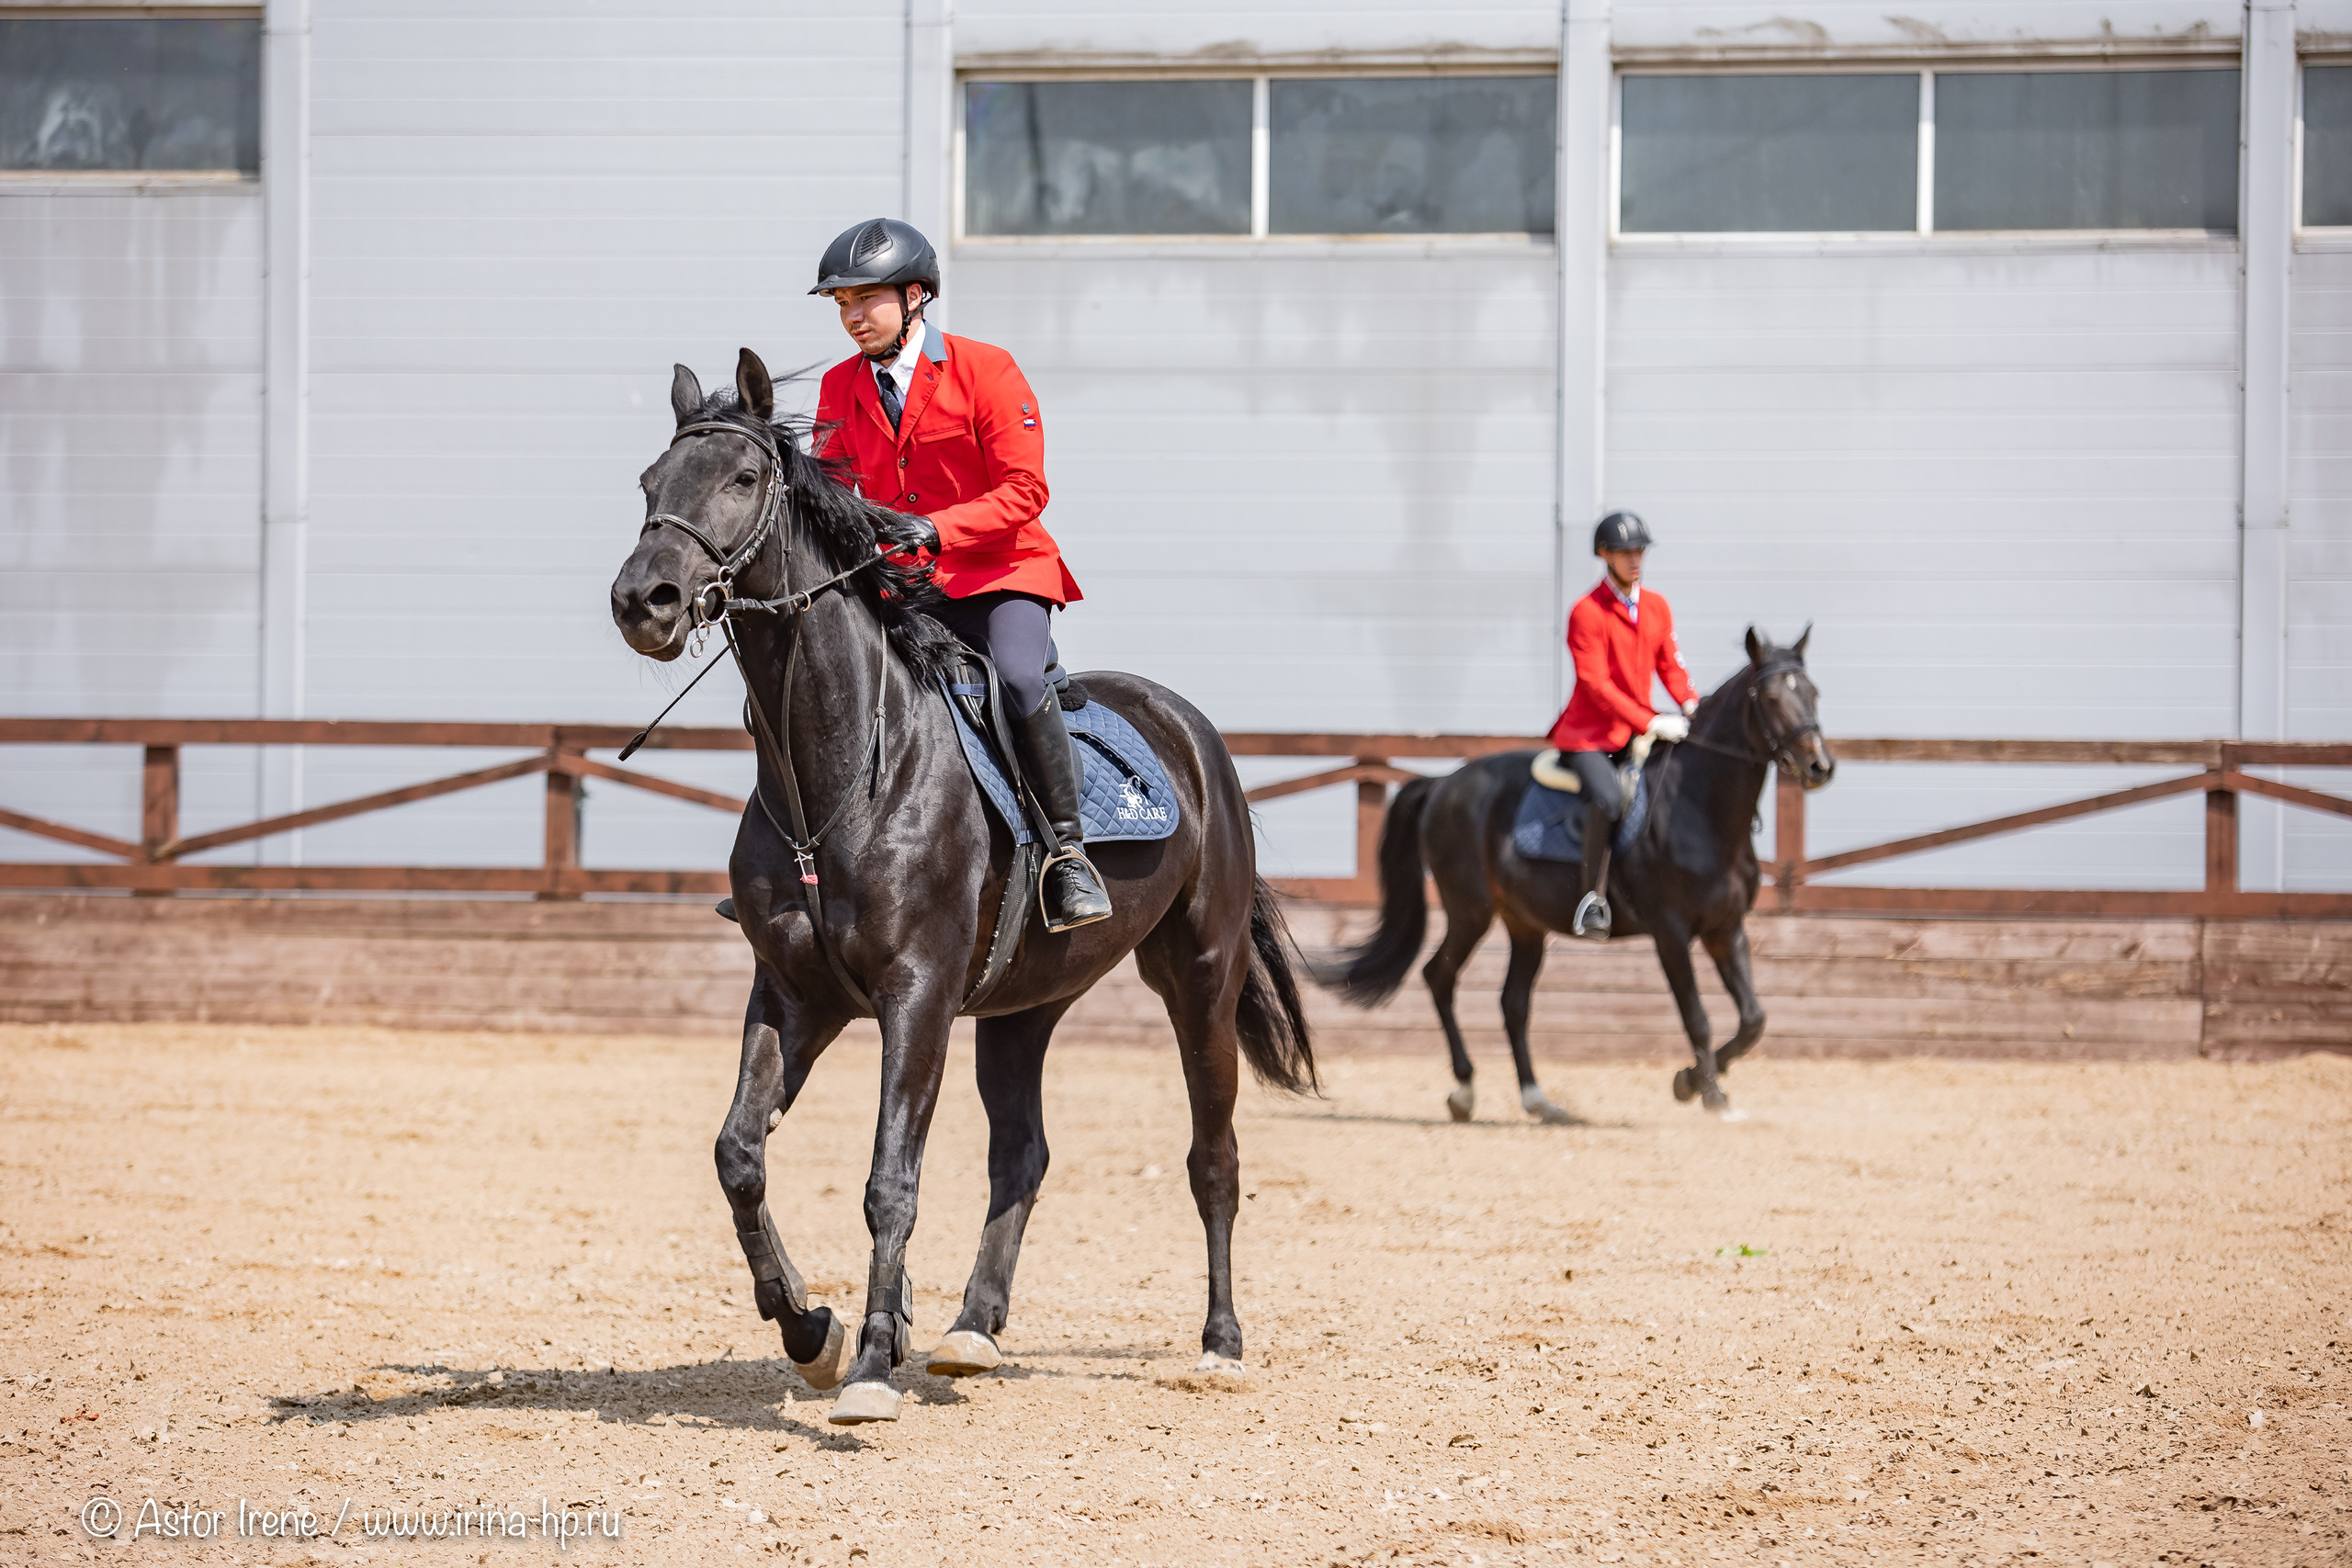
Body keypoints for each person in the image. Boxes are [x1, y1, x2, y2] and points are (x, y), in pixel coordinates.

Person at [808, 218, 1112, 931]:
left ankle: (1067, 853)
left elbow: (1025, 491)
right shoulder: (837, 387)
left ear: (916, 296)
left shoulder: (987, 369)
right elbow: (827, 491)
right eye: (841, 304)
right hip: (904, 584)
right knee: (816, 674)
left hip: (1002, 569)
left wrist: (939, 528)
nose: (852, 317)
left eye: (865, 300)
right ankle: (803, 860)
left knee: (1018, 678)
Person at [1545, 511, 1699, 941]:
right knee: (1611, 799)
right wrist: (1651, 720)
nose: (1635, 560)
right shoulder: (1586, 612)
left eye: (1639, 551)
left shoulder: (1656, 606)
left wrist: (1689, 703)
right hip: (1589, 737)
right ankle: (1590, 899)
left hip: (1636, 731)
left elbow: (1670, 663)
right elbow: (1597, 686)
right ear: (1604, 555)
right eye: (1625, 552)